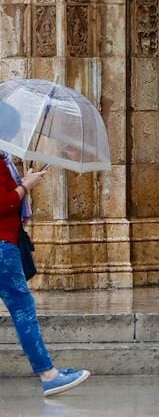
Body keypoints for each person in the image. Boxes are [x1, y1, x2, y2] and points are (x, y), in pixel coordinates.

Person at [0, 152, 90, 396]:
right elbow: (4, 202)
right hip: (2, 247)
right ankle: (49, 375)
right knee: (22, 309)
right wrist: (25, 187)